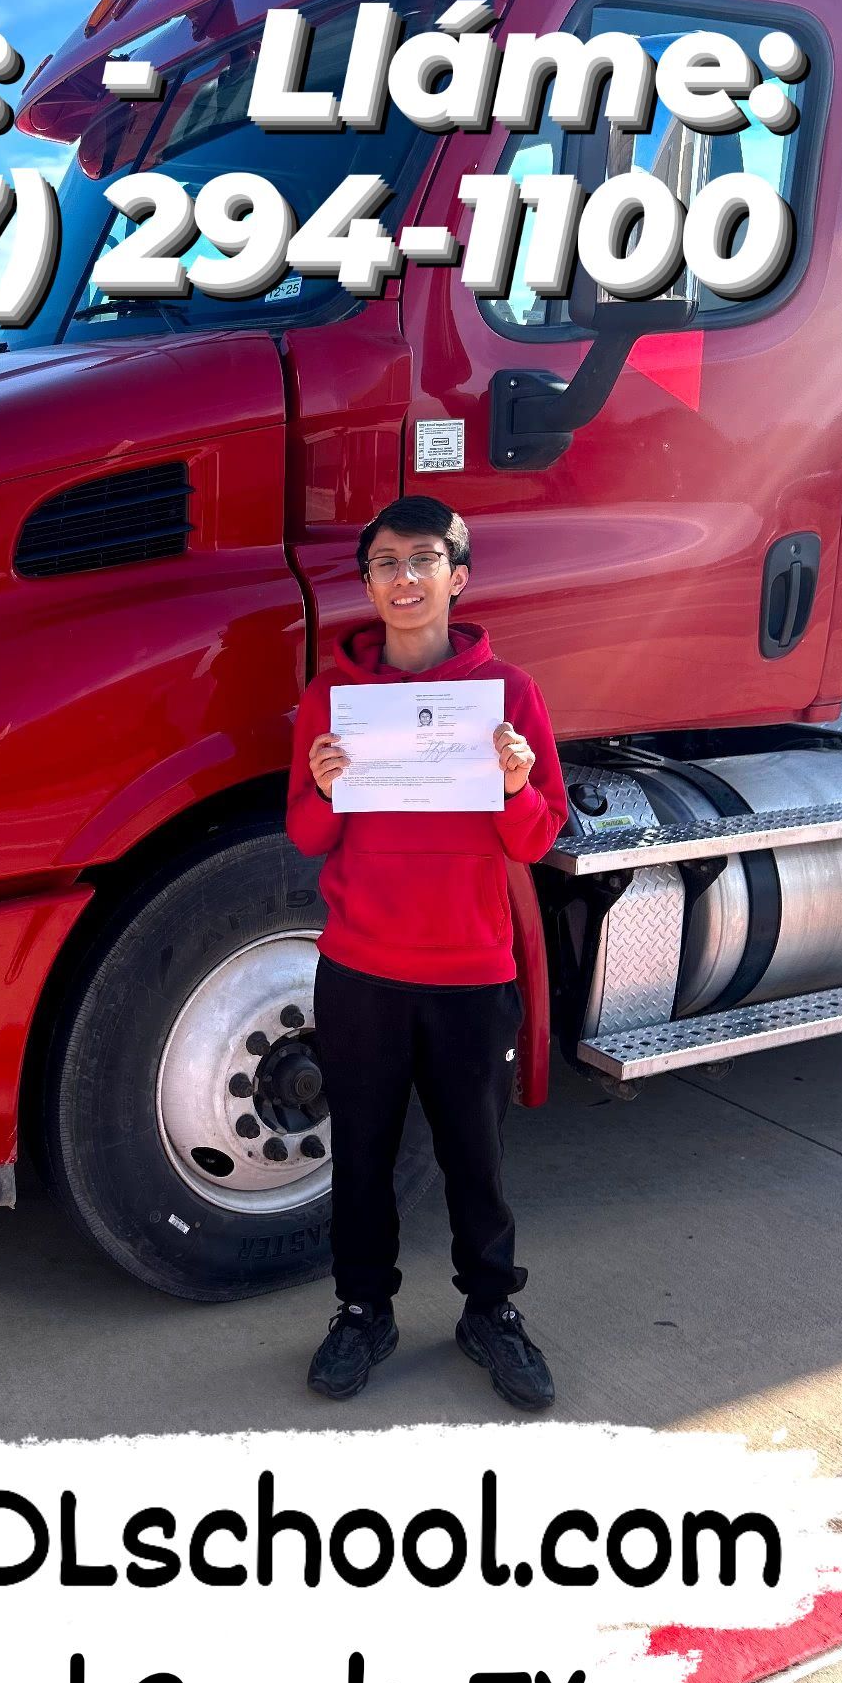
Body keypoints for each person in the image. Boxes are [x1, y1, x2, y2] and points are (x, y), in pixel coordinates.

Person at [286, 494, 568, 1409]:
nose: (403, 578)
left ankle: (491, 1310)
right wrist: (325, 787)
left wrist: (516, 784)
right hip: (361, 971)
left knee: (475, 1159)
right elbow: (307, 836)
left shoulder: (508, 695)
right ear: (368, 584)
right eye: (385, 563)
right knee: (362, 1157)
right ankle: (363, 1311)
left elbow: (537, 839)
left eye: (423, 560)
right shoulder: (331, 701)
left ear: (458, 577)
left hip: (471, 973)